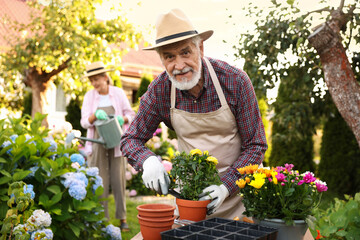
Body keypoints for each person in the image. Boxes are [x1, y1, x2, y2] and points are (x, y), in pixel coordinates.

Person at [120, 9, 267, 219]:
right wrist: (147, 161)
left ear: (200, 48)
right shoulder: (160, 90)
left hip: (243, 197)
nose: (179, 66)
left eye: (185, 52)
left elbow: (256, 145)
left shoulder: (234, 81)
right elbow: (131, 139)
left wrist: (225, 187)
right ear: (161, 60)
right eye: (169, 57)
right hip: (192, 199)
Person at [80, 61, 135, 231]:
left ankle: (123, 218)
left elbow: (130, 114)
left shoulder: (118, 93)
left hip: (117, 138)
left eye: (97, 79)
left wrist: (122, 119)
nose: (94, 83)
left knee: (118, 179)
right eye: (91, 80)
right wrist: (94, 115)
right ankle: (103, 219)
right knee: (100, 179)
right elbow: (83, 122)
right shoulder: (89, 96)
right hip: (98, 139)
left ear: (105, 77)